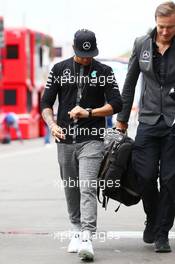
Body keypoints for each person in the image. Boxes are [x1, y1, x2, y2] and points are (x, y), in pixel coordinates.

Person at [41, 29, 122, 261]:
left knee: (86, 186)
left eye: (90, 55)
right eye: (81, 55)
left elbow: (117, 103)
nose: (86, 59)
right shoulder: (58, 70)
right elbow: (46, 102)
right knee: (71, 187)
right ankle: (75, 229)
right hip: (64, 139)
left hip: (93, 139)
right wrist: (51, 124)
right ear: (75, 49)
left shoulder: (105, 71)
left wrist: (89, 112)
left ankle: (87, 236)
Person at [116, 1, 175, 253]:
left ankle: (162, 232)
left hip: (173, 122)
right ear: (155, 22)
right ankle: (152, 217)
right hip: (148, 122)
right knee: (145, 176)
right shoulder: (141, 44)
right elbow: (129, 84)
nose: (165, 32)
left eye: (170, 27)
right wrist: (121, 120)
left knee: (171, 180)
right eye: (161, 26)